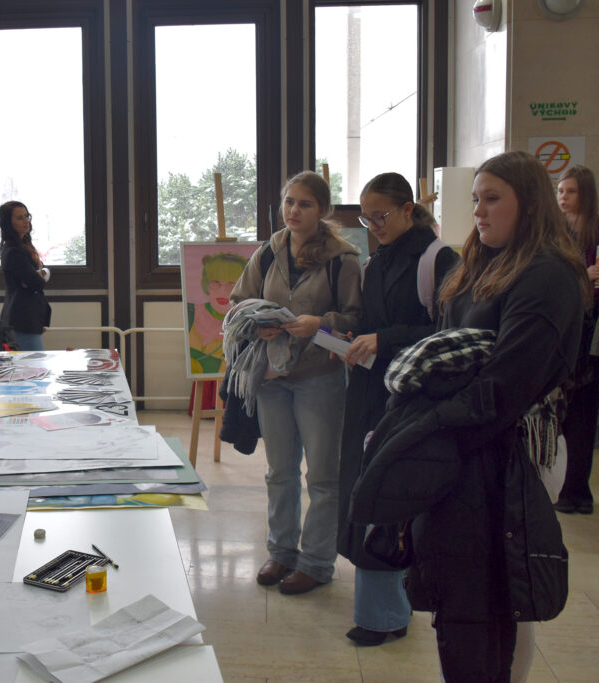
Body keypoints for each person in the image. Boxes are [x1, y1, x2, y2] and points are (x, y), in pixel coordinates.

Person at [403, 151, 589, 680]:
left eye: (492, 199)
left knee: (503, 590)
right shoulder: (482, 262)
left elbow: (505, 386)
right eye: (475, 199)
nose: (479, 211)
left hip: (516, 449)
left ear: (528, 204)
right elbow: (446, 350)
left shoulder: (547, 274)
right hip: (469, 442)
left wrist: (429, 432)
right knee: (467, 590)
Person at [337, 173, 459, 646]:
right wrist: (350, 341)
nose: (373, 226)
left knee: (391, 496)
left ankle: (386, 615)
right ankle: (384, 611)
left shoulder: (438, 259)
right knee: (365, 492)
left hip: (412, 397)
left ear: (409, 209)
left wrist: (383, 338)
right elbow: (373, 324)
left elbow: (448, 333)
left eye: (381, 216)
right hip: (370, 391)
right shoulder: (375, 263)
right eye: (366, 219)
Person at [230, 170, 362, 595]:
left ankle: (317, 562)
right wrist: (257, 324)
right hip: (272, 375)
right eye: (289, 202)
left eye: (304, 204)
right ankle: (281, 551)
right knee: (279, 471)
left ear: (322, 210)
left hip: (319, 377)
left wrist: (318, 323)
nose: (294, 211)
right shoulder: (269, 252)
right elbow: (238, 303)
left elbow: (357, 319)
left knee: (322, 476)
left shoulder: (343, 258)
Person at [555, 165, 599, 514]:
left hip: (591, 335)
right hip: (567, 328)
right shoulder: (557, 234)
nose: (563, 197)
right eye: (560, 191)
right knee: (564, 415)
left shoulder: (594, 233)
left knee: (584, 416)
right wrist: (584, 276)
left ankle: (578, 491)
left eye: (570, 191)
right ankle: (564, 488)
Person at [0, 200, 51, 351]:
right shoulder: (13, 251)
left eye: (27, 216)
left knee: (34, 362)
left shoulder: (24, 247)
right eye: (20, 218)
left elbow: (36, 278)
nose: (26, 221)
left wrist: (41, 273)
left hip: (28, 318)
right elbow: (37, 283)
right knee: (36, 362)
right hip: (22, 319)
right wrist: (38, 276)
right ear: (9, 223)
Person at [188, 252, 249, 374]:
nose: (223, 290)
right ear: (206, 284)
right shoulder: (190, 312)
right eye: (216, 282)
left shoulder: (249, 321)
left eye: (232, 283)